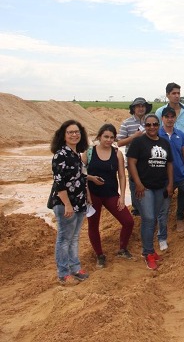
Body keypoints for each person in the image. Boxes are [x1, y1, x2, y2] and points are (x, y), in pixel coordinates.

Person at [83, 124, 134, 268]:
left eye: (112, 137)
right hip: (93, 195)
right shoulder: (89, 152)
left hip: (111, 194)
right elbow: (80, 173)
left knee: (128, 221)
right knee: (93, 226)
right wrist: (89, 184)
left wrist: (122, 197)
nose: (109, 140)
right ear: (99, 137)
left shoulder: (117, 153)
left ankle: (122, 249)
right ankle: (100, 255)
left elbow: (122, 176)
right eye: (106, 137)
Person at [127, 114, 174, 270]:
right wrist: (138, 184)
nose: (152, 127)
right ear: (144, 126)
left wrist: (170, 184)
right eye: (148, 125)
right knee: (148, 218)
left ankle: (150, 249)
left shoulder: (164, 143)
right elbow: (131, 163)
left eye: (155, 124)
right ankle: (147, 252)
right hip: (144, 188)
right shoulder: (138, 142)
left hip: (160, 187)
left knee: (153, 220)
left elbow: (169, 164)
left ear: (159, 125)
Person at [48, 120, 91, 285]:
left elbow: (80, 177)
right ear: (63, 136)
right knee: (64, 238)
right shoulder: (61, 155)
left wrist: (87, 194)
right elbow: (59, 182)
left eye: (77, 132)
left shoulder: (76, 154)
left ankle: (75, 268)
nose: (74, 135)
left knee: (74, 238)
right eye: (70, 132)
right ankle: (63, 273)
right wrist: (67, 204)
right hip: (66, 204)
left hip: (79, 202)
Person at [158, 107, 184, 249]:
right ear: (162, 118)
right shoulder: (156, 134)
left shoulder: (180, 134)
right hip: (164, 180)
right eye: (167, 117)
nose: (170, 119)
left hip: (182, 176)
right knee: (164, 209)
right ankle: (162, 237)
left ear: (175, 119)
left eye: (172, 117)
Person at [117, 97, 153, 216]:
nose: (141, 108)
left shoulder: (151, 121)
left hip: (149, 160)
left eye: (143, 106)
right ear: (133, 108)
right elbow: (119, 142)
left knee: (148, 183)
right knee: (134, 184)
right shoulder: (126, 123)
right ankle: (136, 209)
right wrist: (134, 136)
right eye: (138, 106)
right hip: (133, 161)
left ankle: (148, 206)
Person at [155, 82, 184, 151]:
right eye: (174, 93)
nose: (177, 96)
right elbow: (157, 131)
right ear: (167, 95)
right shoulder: (160, 112)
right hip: (166, 149)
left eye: (178, 93)